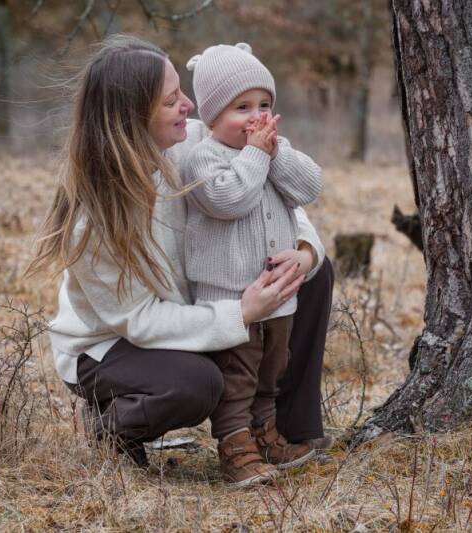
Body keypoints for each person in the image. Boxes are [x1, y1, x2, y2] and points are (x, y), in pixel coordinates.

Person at [24, 35, 333, 472]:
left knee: (312, 274)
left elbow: (273, 202)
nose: (189, 105)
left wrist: (303, 252)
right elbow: (140, 320)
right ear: (135, 114)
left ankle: (287, 427)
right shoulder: (95, 219)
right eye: (172, 99)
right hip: (115, 346)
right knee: (194, 385)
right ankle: (109, 422)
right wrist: (239, 315)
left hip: (201, 305)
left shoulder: (195, 139)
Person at [180, 43, 323, 486]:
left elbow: (309, 187)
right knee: (237, 375)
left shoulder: (272, 149)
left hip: (277, 295)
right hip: (231, 299)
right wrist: (258, 155)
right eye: (242, 107)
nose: (256, 117)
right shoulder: (203, 157)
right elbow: (229, 200)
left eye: (264, 105)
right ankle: (234, 446)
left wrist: (275, 153)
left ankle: (266, 434)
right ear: (211, 117)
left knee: (270, 372)